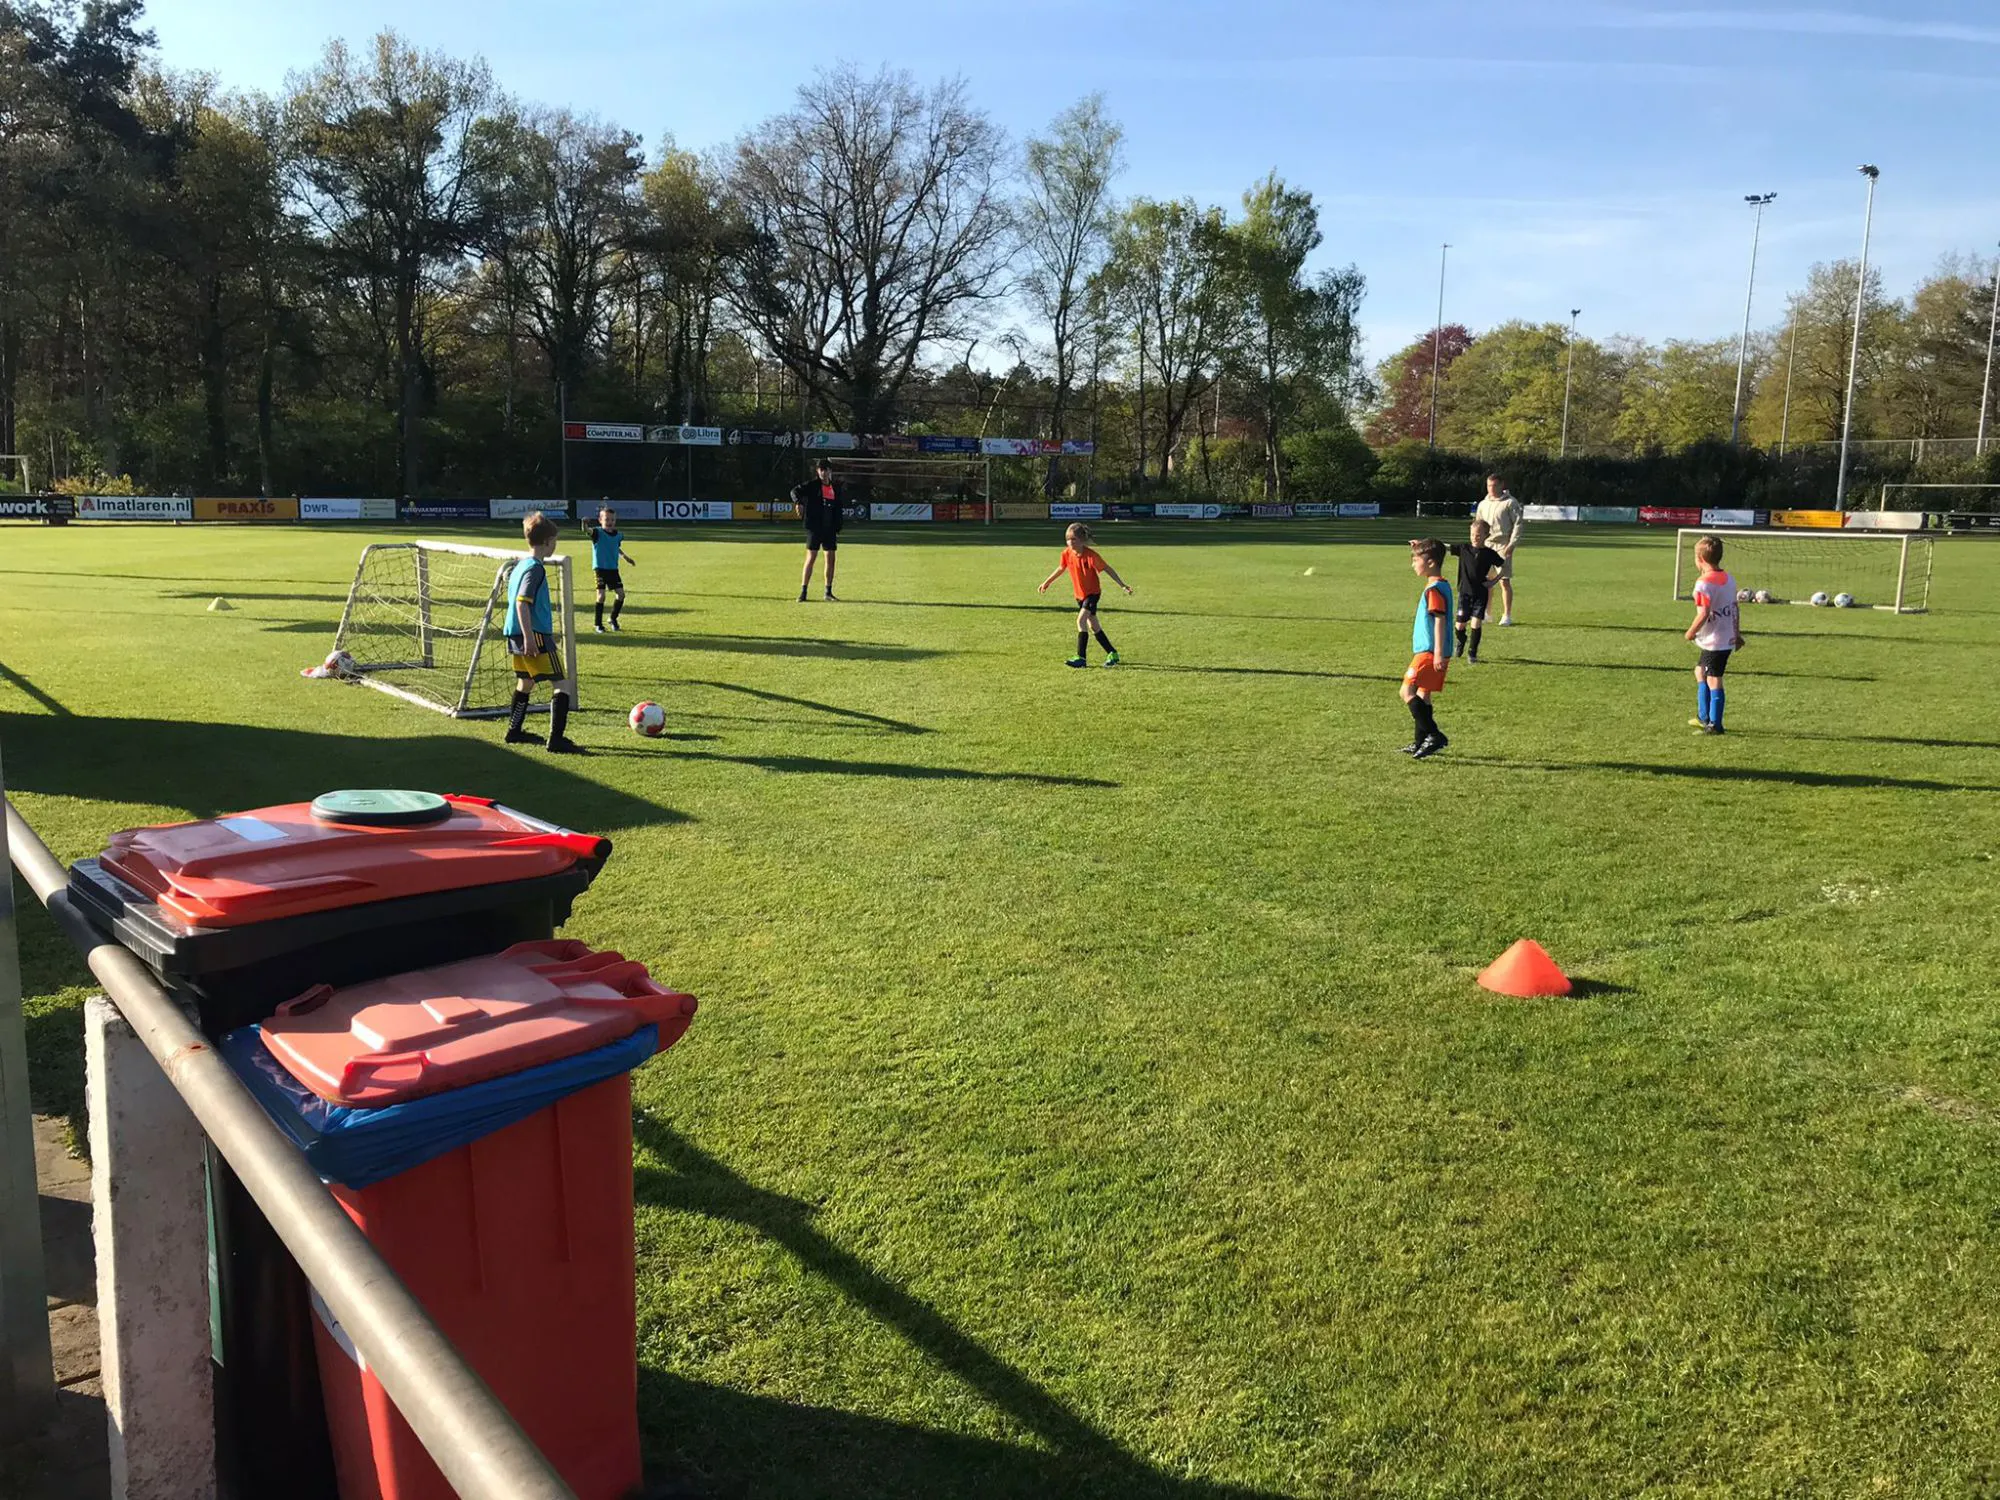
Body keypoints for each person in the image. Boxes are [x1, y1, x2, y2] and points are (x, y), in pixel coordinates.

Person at [502, 511, 584, 755]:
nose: (555, 545)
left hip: (514, 633)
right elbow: (522, 603)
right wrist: (530, 638)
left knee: (525, 682)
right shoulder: (536, 569)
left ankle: (514, 730)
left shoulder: (520, 564)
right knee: (562, 684)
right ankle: (556, 740)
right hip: (533, 634)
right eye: (555, 541)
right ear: (548, 541)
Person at [1038, 522, 1132, 667]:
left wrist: (1122, 585)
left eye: (1073, 539)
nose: (1070, 542)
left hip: (1092, 594)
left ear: (1082, 540)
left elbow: (1107, 569)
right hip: (1080, 595)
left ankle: (1081, 658)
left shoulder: (1091, 556)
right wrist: (1047, 582)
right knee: (1094, 626)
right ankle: (1112, 653)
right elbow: (1061, 568)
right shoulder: (1066, 553)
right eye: (1067, 539)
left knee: (1080, 621)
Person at [1401, 537, 1455, 759]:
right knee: (1423, 694)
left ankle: (1434, 735)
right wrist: (1419, 546)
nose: (1413, 564)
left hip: (1430, 651)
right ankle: (1420, 741)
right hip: (1434, 651)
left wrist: (1438, 654)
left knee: (1406, 691)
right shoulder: (1441, 584)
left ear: (1431, 562)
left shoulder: (1433, 590)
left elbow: (1440, 620)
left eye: (1416, 560)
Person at [1684, 533, 1743, 736]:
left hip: (1715, 641)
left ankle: (1715, 724)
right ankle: (1704, 717)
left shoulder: (1703, 584)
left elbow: (1703, 613)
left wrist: (1691, 631)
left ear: (1700, 559)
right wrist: (1737, 633)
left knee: (1713, 678)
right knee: (1700, 671)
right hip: (1723, 637)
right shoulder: (1728, 579)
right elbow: (1734, 608)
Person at [1446, 518, 1505, 663]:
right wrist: (1423, 543)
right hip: (1465, 593)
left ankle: (1472, 653)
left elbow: (1504, 568)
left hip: (1480, 594)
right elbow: (1444, 547)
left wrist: (1493, 581)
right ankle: (1461, 640)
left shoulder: (1489, 554)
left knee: (1476, 623)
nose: (1474, 538)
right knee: (1459, 625)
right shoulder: (1464, 549)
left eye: (1478, 535)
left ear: (1486, 536)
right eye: (1472, 534)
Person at [1472, 474, 1524, 625]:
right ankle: (1486, 613)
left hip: (1502, 545)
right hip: (1486, 544)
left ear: (1501, 485)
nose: (1491, 489)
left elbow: (1518, 524)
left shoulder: (1510, 503)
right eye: (1489, 485)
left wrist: (1512, 544)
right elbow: (1478, 524)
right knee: (1486, 580)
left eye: (1494, 485)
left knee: (1504, 580)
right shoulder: (1483, 504)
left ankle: (1506, 615)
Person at [789, 460, 844, 601]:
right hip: (815, 527)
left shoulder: (835, 488)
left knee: (830, 559)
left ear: (830, 471)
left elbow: (838, 507)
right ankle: (803, 592)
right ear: (818, 471)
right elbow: (794, 491)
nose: (823, 472)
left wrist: (838, 525)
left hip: (830, 529)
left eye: (826, 469)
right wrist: (798, 503)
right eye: (821, 470)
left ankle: (828, 592)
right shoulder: (812, 485)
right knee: (811, 558)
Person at [583, 505, 635, 633]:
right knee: (601, 596)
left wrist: (625, 557)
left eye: (612, 519)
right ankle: (598, 624)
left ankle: (613, 618)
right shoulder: (597, 533)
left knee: (621, 594)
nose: (610, 522)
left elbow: (615, 546)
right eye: (606, 519)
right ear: (600, 520)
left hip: (613, 569)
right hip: (600, 569)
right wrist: (584, 524)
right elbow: (586, 531)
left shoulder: (618, 535)